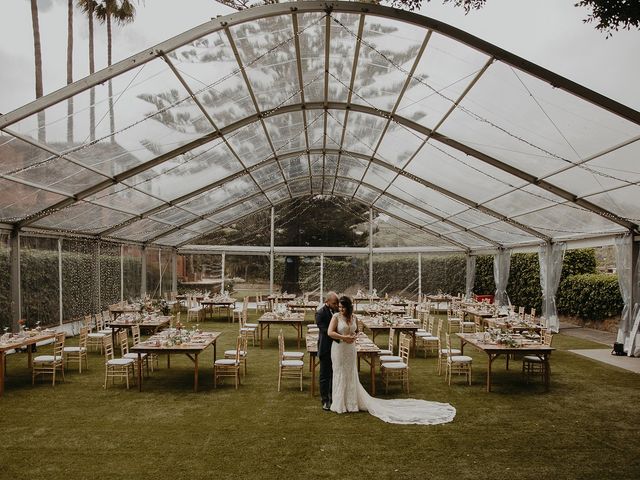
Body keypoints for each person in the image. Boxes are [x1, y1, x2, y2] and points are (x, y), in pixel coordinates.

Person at [328, 296, 456, 425]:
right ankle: (340, 403)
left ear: (348, 307)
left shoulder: (354, 317)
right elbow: (330, 332)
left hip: (350, 349)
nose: (341, 309)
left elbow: (357, 330)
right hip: (339, 349)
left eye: (343, 307)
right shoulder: (336, 317)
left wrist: (354, 336)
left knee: (351, 374)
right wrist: (343, 337)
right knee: (340, 373)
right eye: (339, 307)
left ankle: (351, 402)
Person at [316, 291, 339, 411]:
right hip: (325, 348)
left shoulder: (338, 312)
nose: (337, 305)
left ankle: (334, 396)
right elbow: (325, 331)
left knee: (335, 373)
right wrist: (340, 336)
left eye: (337, 303)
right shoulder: (320, 313)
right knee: (325, 375)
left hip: (337, 348)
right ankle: (325, 400)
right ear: (327, 302)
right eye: (334, 303)